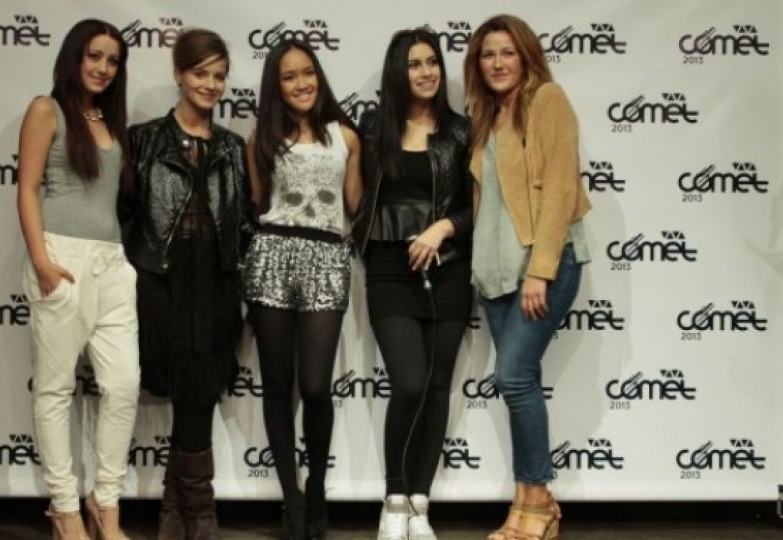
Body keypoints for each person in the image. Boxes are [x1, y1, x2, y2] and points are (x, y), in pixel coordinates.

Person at [120, 28, 255, 540]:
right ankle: (195, 512)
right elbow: (125, 214)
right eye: (201, 73)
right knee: (184, 387)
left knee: (200, 390)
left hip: (215, 283)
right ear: (179, 73)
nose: (211, 85)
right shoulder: (143, 140)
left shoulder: (233, 148)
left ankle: (183, 510)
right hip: (161, 280)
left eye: (219, 76)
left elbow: (243, 222)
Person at [462, 14, 592, 540]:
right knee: (521, 382)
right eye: (488, 54)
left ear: (525, 55)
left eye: (507, 52)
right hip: (495, 273)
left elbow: (560, 188)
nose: (497, 63)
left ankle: (537, 499)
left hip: (542, 266)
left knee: (513, 376)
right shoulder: (485, 115)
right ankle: (525, 502)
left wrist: (541, 271)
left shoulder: (547, 100)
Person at [17, 18, 138, 540]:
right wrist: (42, 262)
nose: (103, 68)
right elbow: (26, 189)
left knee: (124, 385)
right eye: (94, 56)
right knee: (55, 389)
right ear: (74, 56)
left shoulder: (109, 119)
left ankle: (104, 504)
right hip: (61, 259)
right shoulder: (46, 110)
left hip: (112, 265)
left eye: (112, 61)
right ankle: (65, 511)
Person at [350, 27, 474, 540]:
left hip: (449, 271)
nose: (426, 72)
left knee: (438, 386)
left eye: (432, 62)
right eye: (414, 64)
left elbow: (479, 205)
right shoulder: (372, 126)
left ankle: (420, 503)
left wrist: (445, 227)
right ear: (397, 72)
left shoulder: (461, 131)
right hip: (388, 270)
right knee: (408, 383)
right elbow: (358, 194)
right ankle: (394, 498)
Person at [242, 38, 362, 540]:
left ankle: (316, 491)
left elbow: (353, 205)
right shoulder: (261, 139)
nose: (301, 83)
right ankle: (291, 499)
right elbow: (257, 202)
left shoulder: (345, 137)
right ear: (276, 85)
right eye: (289, 76)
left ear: (319, 75)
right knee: (276, 385)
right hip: (271, 255)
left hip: (327, 258)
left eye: (307, 72)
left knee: (314, 385)